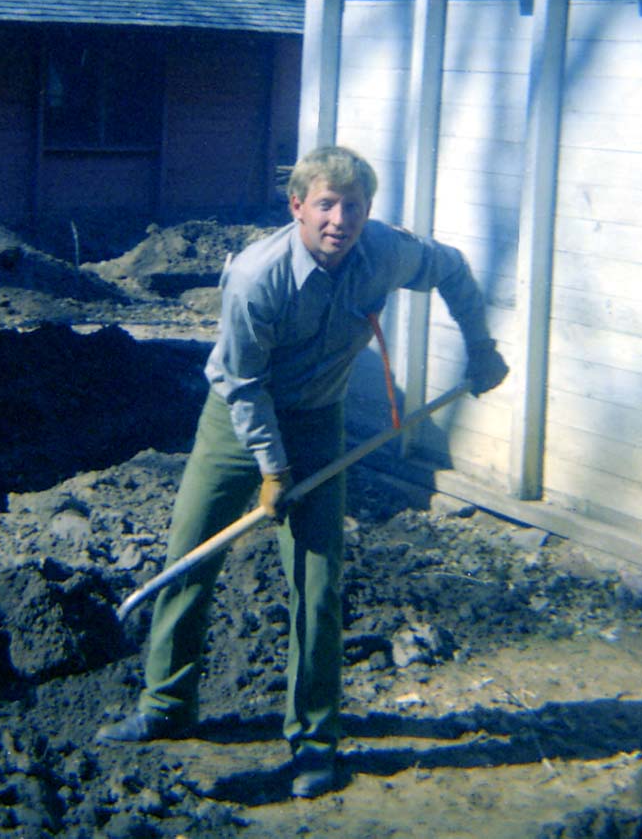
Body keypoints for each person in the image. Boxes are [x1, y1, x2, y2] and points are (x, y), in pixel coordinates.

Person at [95, 146, 508, 799]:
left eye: (353, 206)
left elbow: (452, 269)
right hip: (238, 420)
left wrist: (480, 346)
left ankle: (315, 739)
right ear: (297, 207)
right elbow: (243, 381)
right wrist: (271, 469)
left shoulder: (386, 252)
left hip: (318, 423)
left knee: (317, 584)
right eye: (325, 203)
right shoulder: (259, 276)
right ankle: (165, 704)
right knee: (192, 552)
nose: (339, 219)